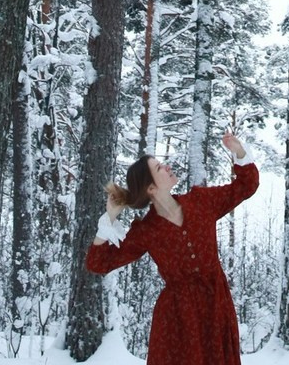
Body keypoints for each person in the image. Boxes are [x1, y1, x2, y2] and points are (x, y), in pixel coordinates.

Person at [85, 132, 259, 365]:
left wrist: (238, 150)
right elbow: (98, 263)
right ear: (151, 189)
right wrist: (108, 220)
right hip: (179, 319)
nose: (167, 167)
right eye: (159, 168)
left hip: (215, 305)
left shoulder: (201, 202)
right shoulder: (147, 230)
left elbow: (247, 185)